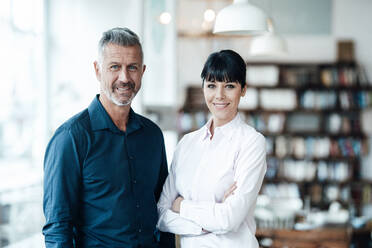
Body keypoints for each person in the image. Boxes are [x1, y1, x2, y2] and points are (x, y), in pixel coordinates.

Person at [43, 27, 174, 248]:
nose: (124, 77)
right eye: (115, 67)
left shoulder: (152, 135)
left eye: (132, 67)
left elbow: (164, 208)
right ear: (97, 70)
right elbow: (58, 228)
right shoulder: (71, 139)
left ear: (142, 71)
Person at [157, 50, 267, 247]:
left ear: (243, 90)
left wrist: (181, 206)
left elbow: (230, 218)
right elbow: (161, 214)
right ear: (203, 89)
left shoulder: (251, 142)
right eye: (211, 86)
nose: (219, 95)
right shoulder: (186, 144)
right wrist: (205, 225)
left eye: (230, 86)